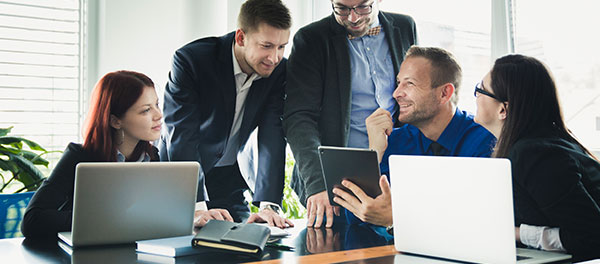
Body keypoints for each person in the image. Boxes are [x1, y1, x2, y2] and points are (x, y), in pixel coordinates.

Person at [284, 0, 417, 228]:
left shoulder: (405, 26)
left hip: (394, 172)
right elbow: (299, 117)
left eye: (363, 7)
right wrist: (318, 184)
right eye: (342, 9)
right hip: (334, 179)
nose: (353, 18)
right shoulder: (311, 39)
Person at [159, 0, 293, 228]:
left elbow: (272, 132)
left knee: (247, 246)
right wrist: (196, 205)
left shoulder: (278, 71)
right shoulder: (192, 61)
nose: (274, 57)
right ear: (241, 37)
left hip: (229, 178)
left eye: (281, 47)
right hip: (182, 177)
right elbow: (181, 135)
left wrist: (269, 204)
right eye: (266, 46)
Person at [332, 46, 496, 228]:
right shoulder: (392, 141)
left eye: (409, 84)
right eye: (398, 83)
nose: (396, 94)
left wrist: (397, 220)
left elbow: (476, 221)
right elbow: (357, 217)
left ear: (444, 93)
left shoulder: (486, 142)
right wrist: (374, 152)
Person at [473, 54, 600, 261]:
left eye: (480, 90)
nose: (476, 96)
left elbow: (591, 238)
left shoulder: (536, 155)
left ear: (503, 109)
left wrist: (516, 233)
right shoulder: (538, 144)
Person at [21, 70, 162, 237]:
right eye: (146, 110)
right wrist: (106, 219)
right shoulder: (79, 156)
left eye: (157, 105)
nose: (158, 115)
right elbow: (32, 220)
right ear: (115, 121)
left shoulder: (151, 156)